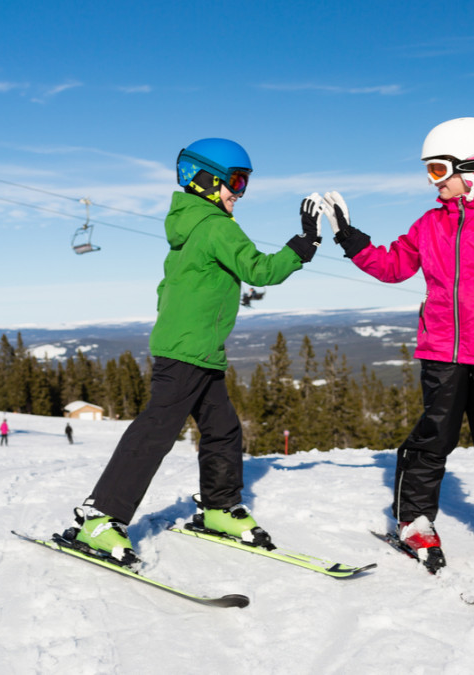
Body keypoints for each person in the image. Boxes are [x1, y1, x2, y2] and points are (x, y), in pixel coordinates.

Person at [68, 138, 325, 566]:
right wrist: (305, 243)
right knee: (155, 433)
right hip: (188, 350)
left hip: (197, 349)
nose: (239, 193)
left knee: (223, 429)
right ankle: (101, 517)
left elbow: (171, 287)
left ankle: (219, 508)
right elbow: (259, 270)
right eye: (235, 183)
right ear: (203, 180)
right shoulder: (214, 225)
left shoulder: (189, 224)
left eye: (243, 184)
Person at [321, 117, 474, 572]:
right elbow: (393, 266)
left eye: (437, 170)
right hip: (441, 352)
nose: (433, 182)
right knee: (432, 438)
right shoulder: (429, 224)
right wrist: (351, 239)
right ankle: (414, 519)